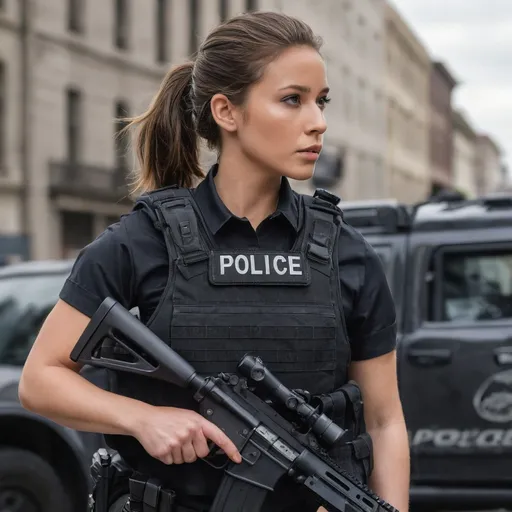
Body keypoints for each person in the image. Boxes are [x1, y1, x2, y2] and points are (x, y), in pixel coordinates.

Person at [19, 11, 409, 512]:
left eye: (321, 101)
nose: (319, 122)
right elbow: (40, 379)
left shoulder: (347, 253)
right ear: (227, 112)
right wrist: (142, 418)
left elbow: (384, 421)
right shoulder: (142, 242)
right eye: (293, 100)